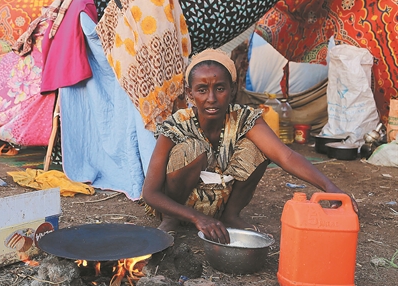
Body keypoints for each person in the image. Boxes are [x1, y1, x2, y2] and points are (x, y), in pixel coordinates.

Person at [142, 49, 358, 244]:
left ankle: (231, 216)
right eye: (201, 90)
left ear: (232, 90)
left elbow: (285, 156)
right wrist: (196, 217)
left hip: (218, 202)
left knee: (257, 148)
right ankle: (171, 221)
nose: (211, 98)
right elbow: (150, 193)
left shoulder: (244, 118)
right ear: (190, 94)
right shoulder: (177, 124)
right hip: (178, 206)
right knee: (192, 150)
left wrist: (330, 188)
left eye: (219, 88)